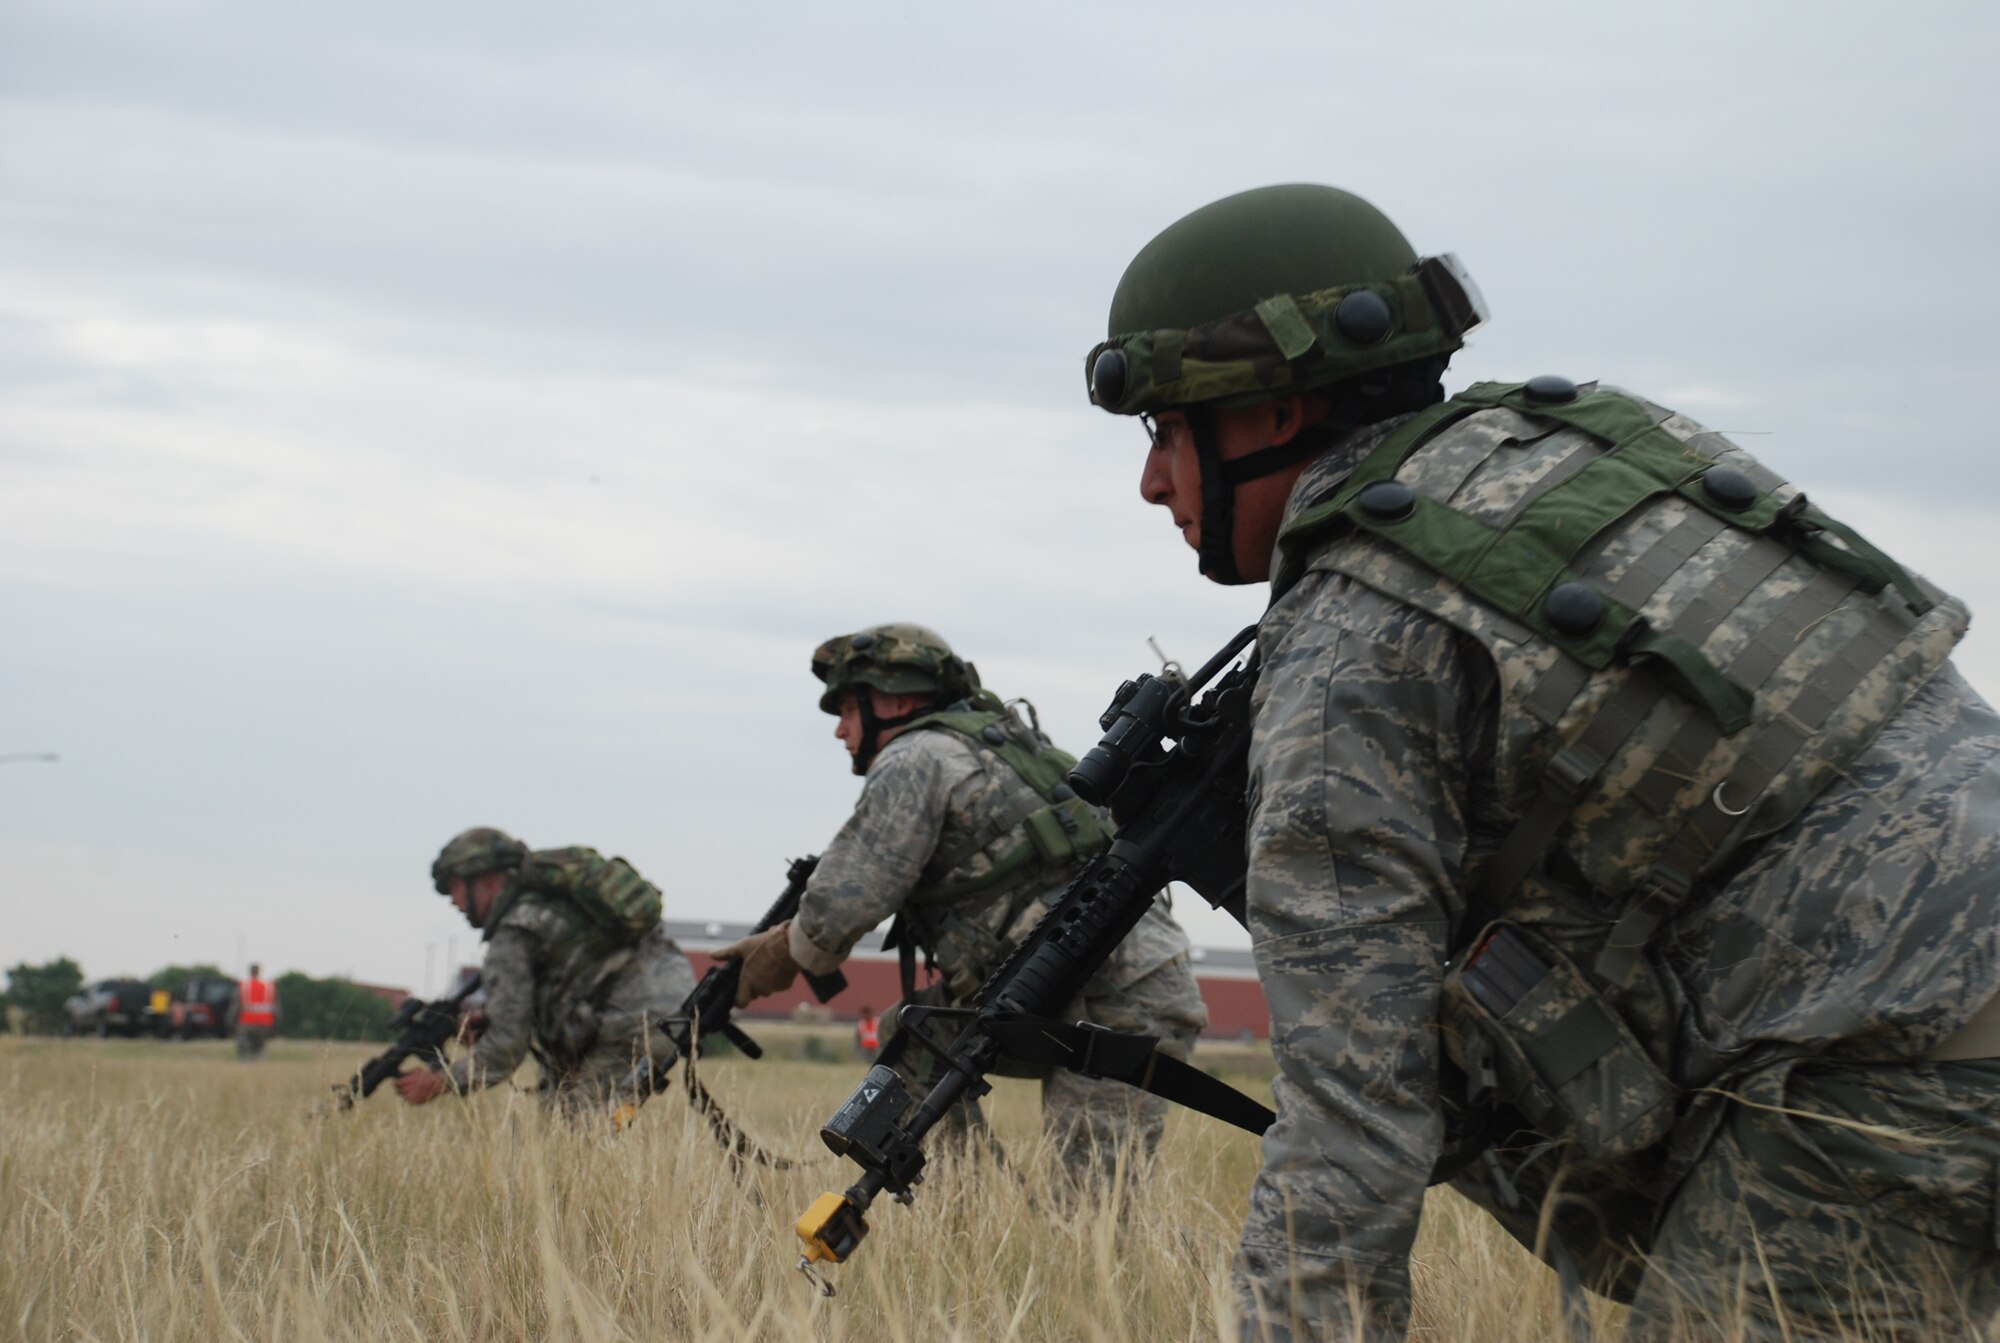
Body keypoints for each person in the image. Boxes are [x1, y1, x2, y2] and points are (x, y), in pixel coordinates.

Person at [1082, 183, 2000, 1341]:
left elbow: (1349, 1122)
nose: (1152, 481)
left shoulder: (1346, 635)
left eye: (1165, 431)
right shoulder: (1599, 445)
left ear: (1270, 409)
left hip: (1897, 1053)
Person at [718, 623, 1210, 1182]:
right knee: (914, 1038)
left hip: (1118, 1000)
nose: (839, 729)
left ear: (895, 700)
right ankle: (964, 1205)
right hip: (1080, 985)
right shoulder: (989, 744)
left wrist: (772, 958)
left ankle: (988, 1208)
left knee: (1095, 1206)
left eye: (848, 709)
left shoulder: (917, 757)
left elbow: (845, 903)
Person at [395, 827, 698, 1118]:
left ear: (485, 880)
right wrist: (491, 1019)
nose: (452, 900)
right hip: (672, 1002)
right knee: (564, 1107)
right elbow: (570, 981)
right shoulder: (551, 903)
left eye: (455, 887)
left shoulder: (513, 932)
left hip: (632, 1022)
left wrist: (442, 1081)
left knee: (580, 1127)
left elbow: (506, 1048)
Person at [232, 962, 277, 1060]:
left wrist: (231, 1023)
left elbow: (235, 1007)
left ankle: (246, 1066)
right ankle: (260, 1066)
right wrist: (275, 1026)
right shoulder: (269, 986)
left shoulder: (243, 986)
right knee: (259, 1049)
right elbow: (276, 1009)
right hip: (265, 1023)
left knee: (244, 1050)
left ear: (250, 971)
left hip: (246, 1023)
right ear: (259, 972)